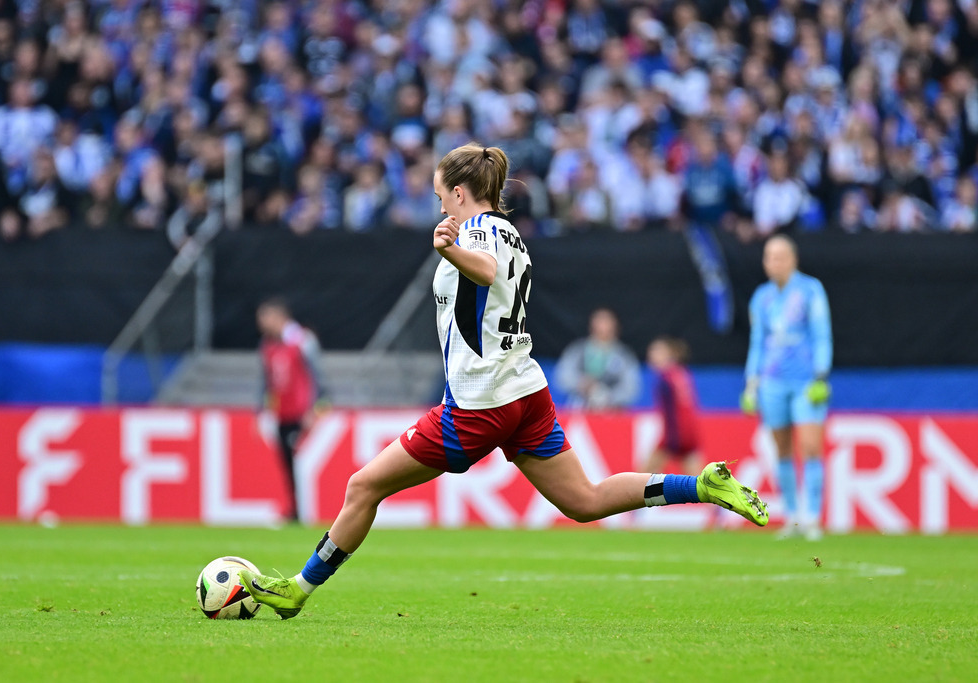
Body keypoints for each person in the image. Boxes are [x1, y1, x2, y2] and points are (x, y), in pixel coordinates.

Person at [238, 143, 768, 619]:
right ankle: (702, 485)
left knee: (362, 486)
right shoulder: (509, 231)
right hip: (524, 391)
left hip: (478, 403)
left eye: (442, 195)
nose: (439, 205)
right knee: (584, 500)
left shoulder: (477, 231)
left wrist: (449, 250)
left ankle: (298, 589)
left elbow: (486, 271)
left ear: (462, 192)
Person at [740, 235, 832, 541]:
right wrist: (752, 381)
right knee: (781, 449)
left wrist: (821, 373)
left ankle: (813, 517)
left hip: (806, 381)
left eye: (779, 256)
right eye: (768, 256)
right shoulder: (761, 297)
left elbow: (821, 334)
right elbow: (757, 342)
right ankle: (792, 516)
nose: (773, 262)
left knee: (810, 447)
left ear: (793, 259)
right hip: (772, 382)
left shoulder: (810, 290)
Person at [257, 298, 324, 522]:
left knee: (298, 461)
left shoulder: (302, 341)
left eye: (266, 318)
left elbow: (316, 376)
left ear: (279, 317)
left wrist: (313, 409)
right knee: (287, 463)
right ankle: (294, 510)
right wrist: (264, 408)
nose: (263, 324)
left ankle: (303, 511)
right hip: (281, 414)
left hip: (299, 413)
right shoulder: (268, 345)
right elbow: (268, 381)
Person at [555, 308, 640, 409]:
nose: (603, 327)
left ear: (615, 328)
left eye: (607, 323)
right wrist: (582, 383)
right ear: (591, 327)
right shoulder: (577, 350)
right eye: (599, 323)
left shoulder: (624, 355)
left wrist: (608, 397)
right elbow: (562, 377)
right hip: (580, 408)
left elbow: (631, 388)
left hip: (613, 411)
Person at [644, 336, 702, 477]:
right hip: (690, 435)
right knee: (699, 483)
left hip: (674, 435)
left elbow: (672, 412)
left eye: (656, 351)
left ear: (667, 355)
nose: (650, 355)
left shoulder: (665, 378)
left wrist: (671, 442)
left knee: (642, 475)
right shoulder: (682, 373)